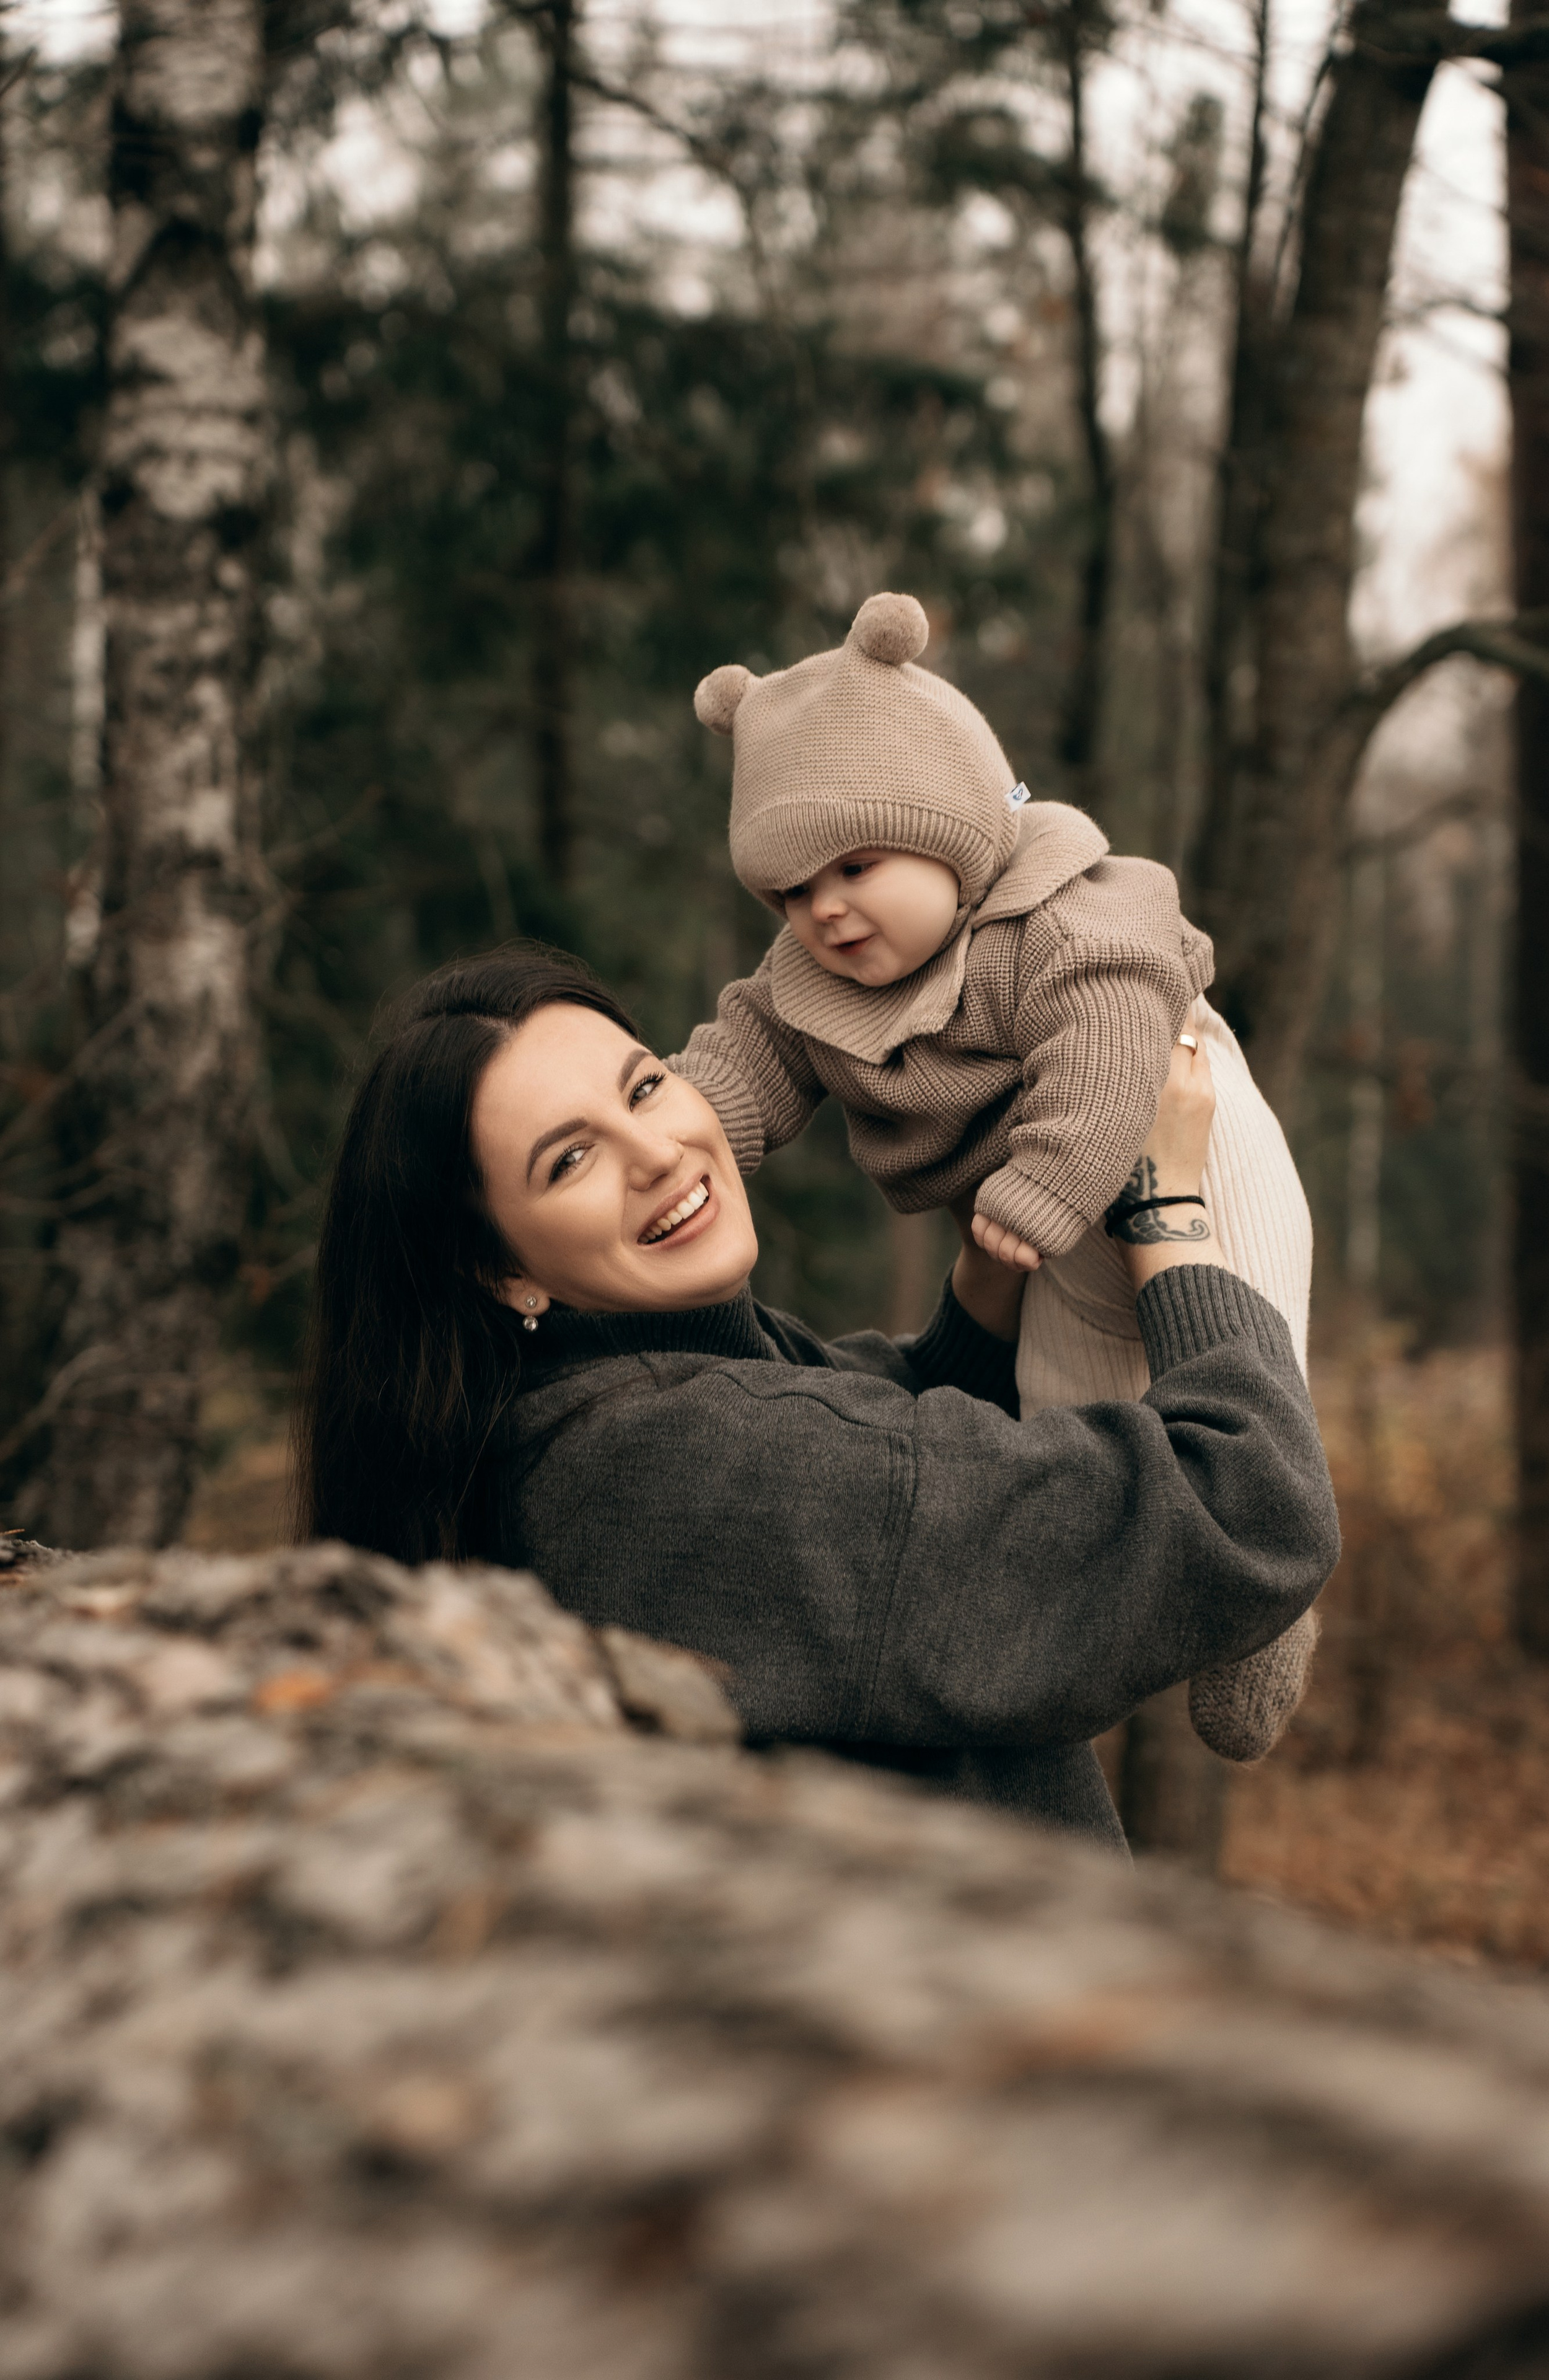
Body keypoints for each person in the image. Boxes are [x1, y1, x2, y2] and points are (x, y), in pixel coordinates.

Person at [296, 946, 1340, 1854]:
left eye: (646, 1087)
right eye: (571, 1160)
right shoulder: (678, 1466)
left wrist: (998, 1266)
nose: (657, 1154)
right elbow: (1246, 1510)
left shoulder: (581, 1417)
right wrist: (1168, 1205)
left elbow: (874, 1449)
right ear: (497, 1271)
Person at [672, 591, 1315, 1764]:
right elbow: (742, 1065)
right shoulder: (808, 986)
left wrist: (1055, 1178)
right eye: (788, 893)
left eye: (855, 864)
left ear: (951, 826)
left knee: (1250, 1334)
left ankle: (1271, 1601)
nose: (825, 910)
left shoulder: (1057, 920)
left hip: (1184, 1142)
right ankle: (1122, 1626)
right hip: (1041, 1235)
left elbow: (1113, 1039)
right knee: (1075, 1438)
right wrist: (669, 1131)